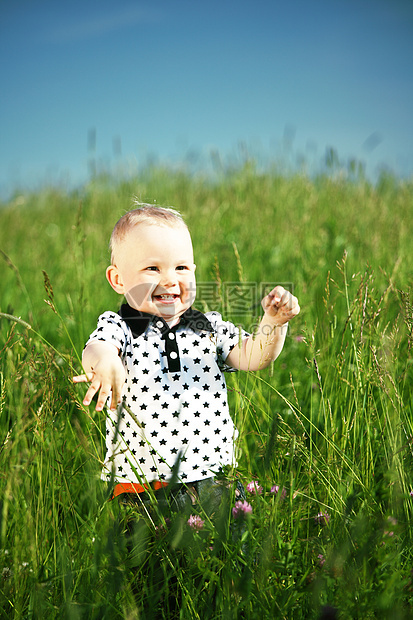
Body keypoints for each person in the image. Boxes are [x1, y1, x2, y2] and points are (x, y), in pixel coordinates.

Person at [73, 203, 300, 517]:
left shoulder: (207, 326)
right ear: (118, 279)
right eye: (153, 269)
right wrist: (107, 361)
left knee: (221, 555)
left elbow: (253, 356)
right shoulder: (122, 326)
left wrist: (274, 323)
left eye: (181, 268)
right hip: (144, 481)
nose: (169, 280)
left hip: (212, 473)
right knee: (149, 560)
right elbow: (95, 349)